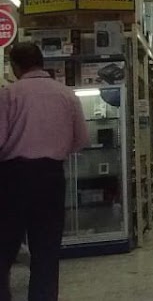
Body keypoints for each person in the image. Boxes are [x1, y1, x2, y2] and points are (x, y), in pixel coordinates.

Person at [0, 42, 88, 301]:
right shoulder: (67, 95)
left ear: (15, 66)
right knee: (46, 253)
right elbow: (80, 140)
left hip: (13, 178)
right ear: (42, 62)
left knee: (4, 250)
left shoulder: (9, 95)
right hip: (51, 178)